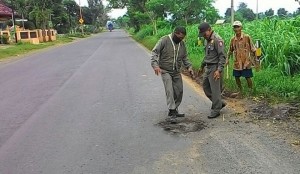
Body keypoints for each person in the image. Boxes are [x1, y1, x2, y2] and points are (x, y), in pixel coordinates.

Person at [151, 26, 194, 123]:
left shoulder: (182, 44)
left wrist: (189, 67)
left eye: (182, 38)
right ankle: (172, 111)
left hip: (176, 71)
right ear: (175, 33)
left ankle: (175, 109)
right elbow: (154, 52)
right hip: (165, 70)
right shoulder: (164, 40)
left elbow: (185, 57)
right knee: (169, 90)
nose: (181, 39)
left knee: (179, 91)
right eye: (180, 37)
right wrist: (155, 65)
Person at [198, 22, 226, 119]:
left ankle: (216, 110)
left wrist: (219, 70)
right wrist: (202, 66)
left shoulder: (217, 40)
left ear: (209, 30)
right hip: (208, 67)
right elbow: (207, 55)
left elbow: (222, 56)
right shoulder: (207, 40)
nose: (204, 36)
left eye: (204, 34)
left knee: (215, 90)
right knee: (205, 87)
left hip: (215, 67)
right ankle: (219, 102)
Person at [226, 21, 256, 95]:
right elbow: (230, 50)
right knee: (236, 77)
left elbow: (253, 49)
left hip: (246, 62)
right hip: (237, 62)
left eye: (238, 27)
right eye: (235, 27)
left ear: (241, 28)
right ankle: (240, 90)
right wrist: (227, 59)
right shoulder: (233, 39)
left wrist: (256, 60)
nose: (236, 29)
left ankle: (250, 91)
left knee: (247, 77)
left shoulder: (247, 37)